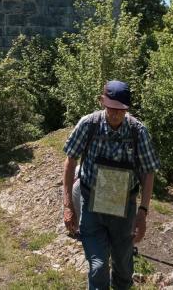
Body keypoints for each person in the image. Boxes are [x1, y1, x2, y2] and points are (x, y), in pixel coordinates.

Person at [63, 80, 160, 290]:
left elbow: (148, 172)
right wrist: (68, 204)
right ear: (102, 103)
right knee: (98, 267)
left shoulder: (137, 132)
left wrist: (142, 212)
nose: (115, 114)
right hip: (91, 206)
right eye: (111, 108)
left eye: (120, 110)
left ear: (126, 110)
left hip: (124, 210)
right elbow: (70, 161)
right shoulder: (88, 125)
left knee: (124, 269)